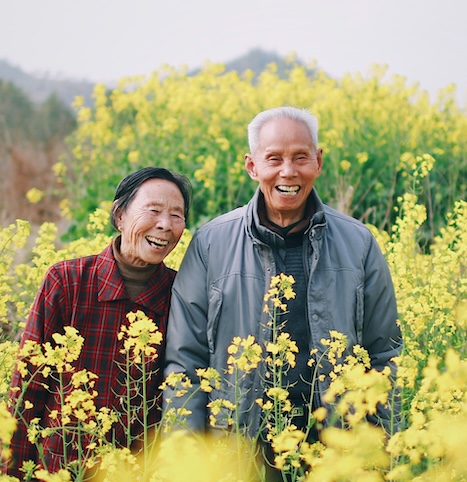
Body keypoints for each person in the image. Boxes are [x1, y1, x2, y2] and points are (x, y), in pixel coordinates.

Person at [163, 106, 402, 441]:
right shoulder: (210, 244)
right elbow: (185, 361)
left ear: (318, 161)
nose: (288, 172)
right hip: (237, 451)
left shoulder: (358, 243)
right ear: (252, 166)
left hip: (337, 450)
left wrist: (377, 450)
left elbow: (385, 355)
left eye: (301, 157)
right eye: (274, 158)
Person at [5, 166, 192, 478]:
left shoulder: (183, 294)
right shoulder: (67, 281)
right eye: (154, 210)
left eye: (177, 215)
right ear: (119, 216)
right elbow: (28, 387)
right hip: (58, 479)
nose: (165, 225)